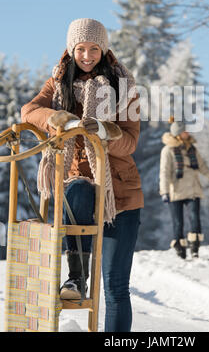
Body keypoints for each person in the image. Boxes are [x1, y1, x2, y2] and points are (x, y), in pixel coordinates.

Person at [21, 18, 143, 332]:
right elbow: (29, 111)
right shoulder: (58, 82)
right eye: (80, 48)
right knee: (76, 188)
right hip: (80, 185)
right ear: (71, 49)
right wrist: (58, 117)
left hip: (120, 195)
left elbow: (129, 143)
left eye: (93, 48)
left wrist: (103, 132)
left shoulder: (123, 87)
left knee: (116, 287)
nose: (86, 55)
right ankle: (76, 275)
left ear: (103, 50)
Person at [159, 118, 209, 259]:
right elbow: (164, 172)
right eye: (184, 131)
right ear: (178, 134)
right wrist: (164, 192)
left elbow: (203, 168)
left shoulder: (192, 149)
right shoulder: (168, 150)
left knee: (195, 218)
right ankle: (180, 248)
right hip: (176, 191)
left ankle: (195, 247)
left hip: (193, 189)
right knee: (178, 222)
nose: (187, 133)